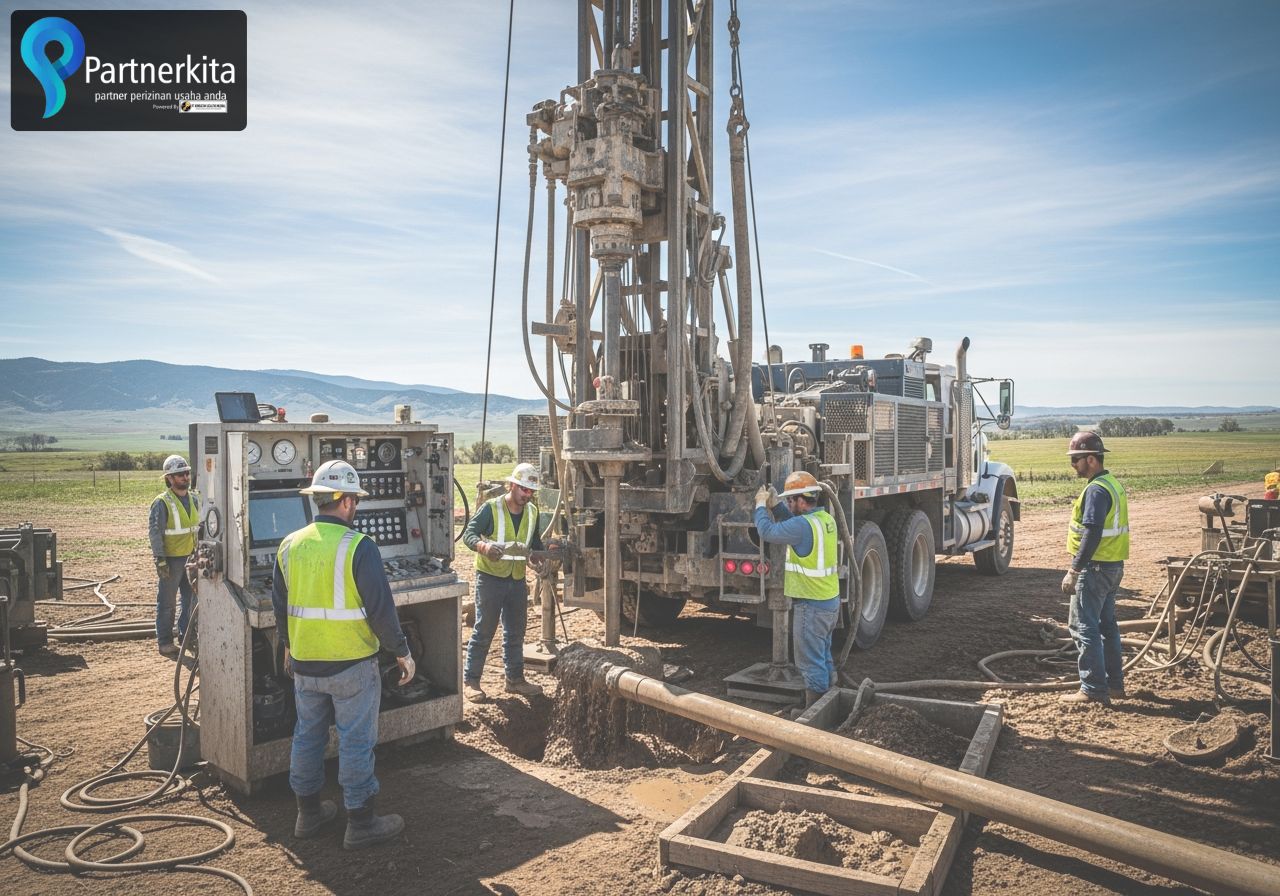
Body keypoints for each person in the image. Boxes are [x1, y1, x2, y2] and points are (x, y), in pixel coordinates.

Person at [271, 459, 415, 849]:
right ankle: (362, 822)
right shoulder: (359, 546)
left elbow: (280, 607)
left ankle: (308, 815)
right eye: (356, 501)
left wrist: (288, 647)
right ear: (348, 501)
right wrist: (402, 652)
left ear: (317, 499)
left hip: (305, 664)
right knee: (355, 741)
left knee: (307, 736)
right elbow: (381, 610)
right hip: (351, 664)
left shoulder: (289, 545)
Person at [753, 470, 840, 707]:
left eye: (790, 500)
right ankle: (831, 702)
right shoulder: (825, 520)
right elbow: (793, 523)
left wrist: (760, 506)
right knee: (823, 657)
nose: (788, 504)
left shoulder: (801, 526)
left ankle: (816, 713)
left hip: (811, 607)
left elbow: (767, 531)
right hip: (829, 603)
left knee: (810, 664)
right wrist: (777, 506)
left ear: (802, 501)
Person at [462, 462, 545, 703]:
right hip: (490, 578)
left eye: (531, 491)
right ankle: (471, 682)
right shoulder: (492, 508)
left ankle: (515, 680)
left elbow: (534, 543)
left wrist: (538, 556)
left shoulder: (532, 512)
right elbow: (468, 534)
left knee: (516, 632)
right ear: (512, 486)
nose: (528, 495)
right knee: (484, 630)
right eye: (524, 489)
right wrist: (484, 547)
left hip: (517, 579)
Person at [1060, 431, 1129, 707]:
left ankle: (1093, 688)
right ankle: (1114, 685)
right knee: (1107, 626)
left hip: (1095, 569)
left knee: (1083, 626)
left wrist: (1074, 570)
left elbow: (1092, 532)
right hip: (1112, 566)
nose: (1072, 465)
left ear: (1091, 459)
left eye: (1075, 459)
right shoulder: (1112, 484)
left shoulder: (1097, 490)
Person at [149, 454, 200, 657]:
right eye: (180, 474)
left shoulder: (195, 499)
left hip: (192, 558)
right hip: (171, 560)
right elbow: (155, 533)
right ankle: (165, 642)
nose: (185, 477)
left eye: (186, 473)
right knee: (167, 603)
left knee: (190, 601)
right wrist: (160, 559)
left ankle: (187, 637)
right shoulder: (162, 502)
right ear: (169, 478)